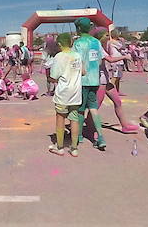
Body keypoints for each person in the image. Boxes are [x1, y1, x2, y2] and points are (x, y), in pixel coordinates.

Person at [92, 27, 139, 134]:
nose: (108, 37)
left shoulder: (102, 46)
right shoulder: (97, 46)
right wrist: (124, 57)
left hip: (106, 79)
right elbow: (110, 59)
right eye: (106, 35)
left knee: (117, 101)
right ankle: (91, 129)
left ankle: (125, 125)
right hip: (100, 79)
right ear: (101, 36)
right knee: (95, 106)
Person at [72, 18, 108, 150]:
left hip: (82, 81)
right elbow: (99, 61)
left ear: (79, 29)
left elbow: (75, 61)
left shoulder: (78, 43)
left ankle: (79, 135)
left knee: (80, 110)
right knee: (93, 108)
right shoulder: (96, 42)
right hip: (94, 80)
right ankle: (100, 136)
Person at [47, 32, 82, 156]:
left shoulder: (59, 56)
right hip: (76, 92)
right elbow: (82, 72)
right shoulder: (77, 56)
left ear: (60, 44)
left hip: (63, 93)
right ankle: (74, 148)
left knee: (60, 119)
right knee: (74, 119)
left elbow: (54, 76)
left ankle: (60, 147)